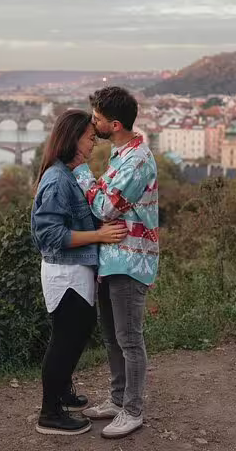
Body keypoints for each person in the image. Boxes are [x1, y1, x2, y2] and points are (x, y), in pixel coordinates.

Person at [31, 109, 129, 436]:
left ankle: (61, 394)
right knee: (64, 340)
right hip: (65, 273)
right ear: (73, 139)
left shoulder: (69, 174)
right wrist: (100, 236)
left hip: (77, 270)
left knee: (77, 334)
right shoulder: (58, 179)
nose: (92, 145)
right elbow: (49, 235)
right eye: (88, 138)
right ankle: (50, 413)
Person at [73, 87, 159, 439]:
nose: (93, 125)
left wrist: (81, 173)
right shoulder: (122, 155)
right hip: (112, 258)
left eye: (97, 120)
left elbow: (106, 207)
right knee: (111, 337)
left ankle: (133, 410)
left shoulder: (138, 161)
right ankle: (118, 398)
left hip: (130, 260)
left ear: (116, 124)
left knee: (129, 339)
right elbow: (106, 201)